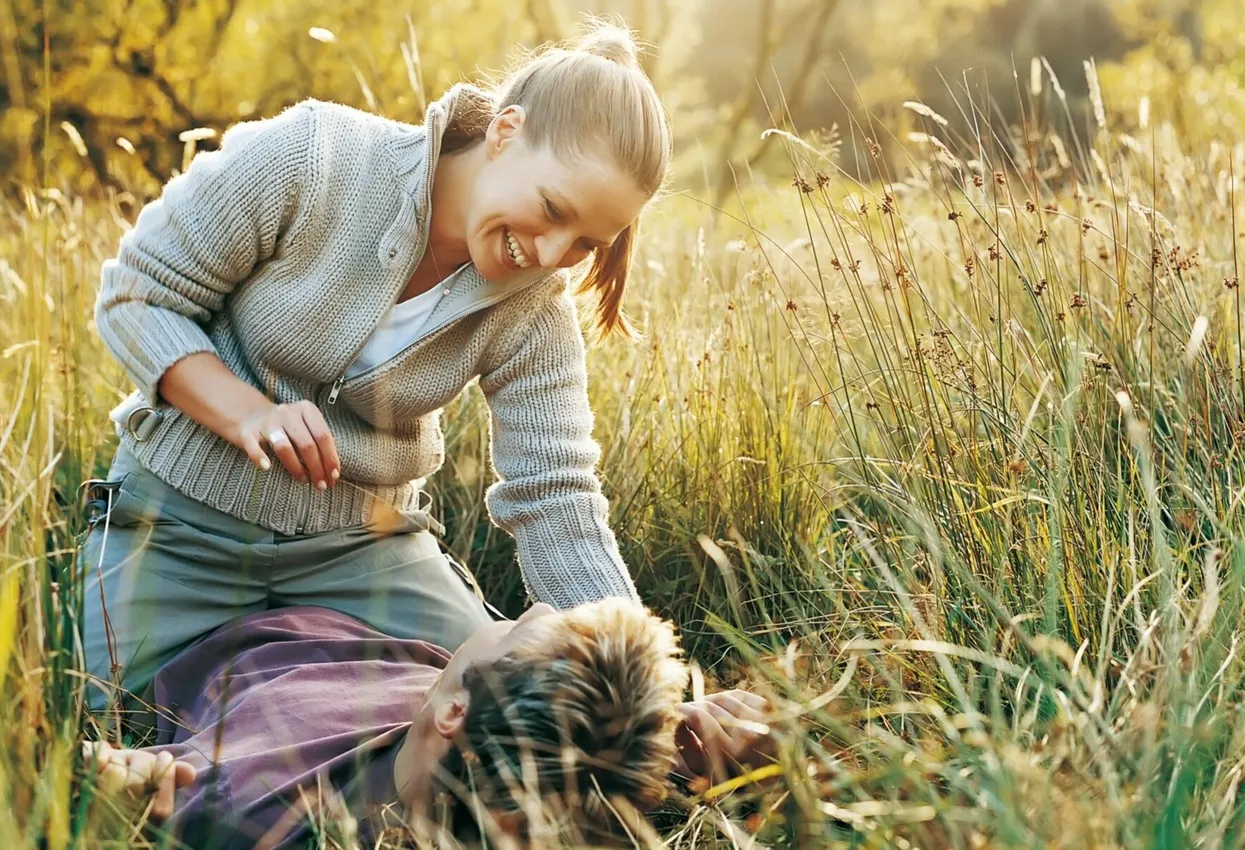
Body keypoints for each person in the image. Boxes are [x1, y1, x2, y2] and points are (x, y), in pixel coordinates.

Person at [81, 18, 670, 708]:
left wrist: (650, 693)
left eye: (585, 244)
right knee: (107, 713)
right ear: (505, 131)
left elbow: (555, 492)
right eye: (551, 210)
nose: (548, 256)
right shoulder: (314, 156)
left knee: (494, 713)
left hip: (364, 554)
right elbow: (136, 294)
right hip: (181, 532)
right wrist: (248, 413)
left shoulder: (535, 308)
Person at [81, 599, 774, 848]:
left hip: (208, 620)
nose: (529, 607)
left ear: (454, 712)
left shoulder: (245, 805)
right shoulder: (516, 764)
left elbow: (105, 779)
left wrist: (120, 780)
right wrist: (673, 738)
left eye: (520, 627)